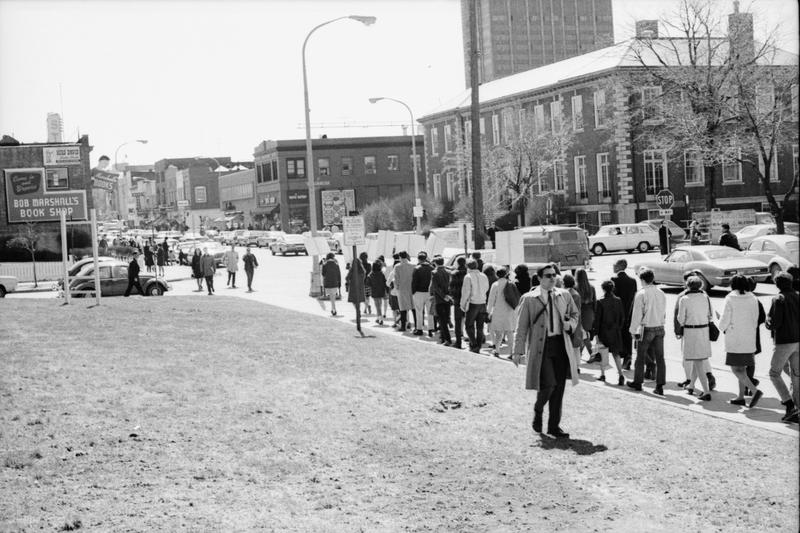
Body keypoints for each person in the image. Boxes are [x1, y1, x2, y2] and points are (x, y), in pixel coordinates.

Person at [512, 263, 580, 439]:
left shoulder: (564, 295)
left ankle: (553, 426)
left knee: (559, 388)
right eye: (548, 275)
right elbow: (521, 327)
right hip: (541, 347)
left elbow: (575, 314)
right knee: (549, 384)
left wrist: (569, 325)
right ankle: (538, 409)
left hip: (560, 345)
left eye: (554, 275)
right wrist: (517, 350)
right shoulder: (528, 298)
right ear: (540, 278)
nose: (552, 278)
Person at [718, 275, 763, 406]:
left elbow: (725, 319)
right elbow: (756, 318)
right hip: (749, 337)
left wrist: (721, 325)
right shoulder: (753, 298)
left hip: (735, 337)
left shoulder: (730, 298)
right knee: (742, 370)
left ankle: (755, 391)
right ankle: (740, 396)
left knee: (735, 369)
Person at [673, 270, 717, 391]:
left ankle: (698, 386)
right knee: (701, 358)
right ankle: (697, 382)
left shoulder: (684, 298)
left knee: (691, 360)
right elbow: (710, 314)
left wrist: (678, 329)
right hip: (704, 330)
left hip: (690, 331)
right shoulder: (705, 296)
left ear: (687, 284)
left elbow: (680, 318)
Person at [627, 267, 667, 396]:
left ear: (642, 280)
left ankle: (638, 382)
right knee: (660, 357)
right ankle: (660, 385)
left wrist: (633, 330)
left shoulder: (641, 294)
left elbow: (637, 314)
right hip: (660, 326)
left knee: (641, 355)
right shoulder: (661, 292)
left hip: (647, 327)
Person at [766, 272, 800, 422]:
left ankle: (789, 404)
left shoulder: (778, 299)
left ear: (777, 284)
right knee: (796, 375)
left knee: (774, 373)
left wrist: (768, 321)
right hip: (798, 340)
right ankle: (797, 407)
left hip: (784, 341)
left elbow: (774, 323)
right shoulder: (798, 296)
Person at [592, 280, 626, 385]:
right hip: (615, 330)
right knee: (616, 354)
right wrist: (618, 327)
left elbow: (597, 319)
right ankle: (620, 374)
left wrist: (595, 333)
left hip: (603, 330)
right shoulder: (618, 300)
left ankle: (603, 374)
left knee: (603, 353)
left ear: (603, 289)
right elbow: (622, 317)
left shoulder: (600, 301)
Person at [612, 259, 637, 370]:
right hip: (629, 312)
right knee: (628, 335)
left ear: (619, 266)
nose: (613, 266)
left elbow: (613, 297)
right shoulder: (632, 281)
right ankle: (629, 355)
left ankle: (623, 355)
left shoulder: (614, 280)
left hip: (618, 313)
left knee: (619, 335)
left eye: (615, 264)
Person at [486, 268, 517, 358]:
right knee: (510, 333)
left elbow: (491, 300)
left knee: (499, 333)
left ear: (496, 275)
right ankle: (512, 353)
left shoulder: (495, 285)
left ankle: (497, 350)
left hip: (498, 311)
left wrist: (488, 312)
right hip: (510, 310)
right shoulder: (511, 283)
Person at [461, 259, 489, 353]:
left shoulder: (468, 277)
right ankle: (478, 345)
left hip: (473, 303)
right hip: (482, 302)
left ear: (467, 267)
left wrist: (463, 304)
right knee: (480, 327)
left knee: (469, 325)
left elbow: (466, 292)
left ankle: (474, 344)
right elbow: (486, 288)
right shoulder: (484, 275)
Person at [561, 273, 585, 368]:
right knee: (576, 347)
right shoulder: (575, 293)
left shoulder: (566, 294)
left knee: (570, 345)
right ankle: (577, 366)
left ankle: (572, 366)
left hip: (569, 321)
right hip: (576, 321)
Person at [429, 256, 452, 345]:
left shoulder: (434, 272)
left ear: (435, 263)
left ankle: (447, 339)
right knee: (445, 318)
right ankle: (443, 337)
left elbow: (436, 288)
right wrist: (448, 296)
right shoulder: (449, 272)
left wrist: (443, 296)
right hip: (447, 299)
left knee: (441, 320)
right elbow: (450, 285)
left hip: (439, 299)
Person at [575, 268, 596, 362]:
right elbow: (595, 302)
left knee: (584, 335)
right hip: (589, 312)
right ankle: (581, 354)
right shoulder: (591, 287)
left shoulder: (575, 288)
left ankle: (592, 354)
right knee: (585, 334)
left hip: (580, 312)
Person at [411, 252, 434, 336]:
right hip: (428, 292)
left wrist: (413, 292)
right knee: (430, 312)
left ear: (418, 259)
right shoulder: (431, 268)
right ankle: (430, 329)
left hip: (419, 292)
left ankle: (419, 328)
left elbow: (414, 282)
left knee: (419, 311)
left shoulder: (417, 268)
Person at [393, 251, 416, 331]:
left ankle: (403, 326)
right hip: (412, 289)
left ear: (400, 257)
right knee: (414, 308)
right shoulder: (413, 265)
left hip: (402, 289)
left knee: (403, 309)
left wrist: (396, 288)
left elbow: (396, 279)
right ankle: (417, 326)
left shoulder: (397, 266)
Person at [448, 256, 468, 349]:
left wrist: (452, 296)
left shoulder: (455, 274)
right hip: (468, 299)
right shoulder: (468, 273)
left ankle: (458, 342)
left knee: (457, 320)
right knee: (469, 320)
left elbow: (451, 288)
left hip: (458, 299)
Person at [366, 260, 387, 325]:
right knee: (379, 304)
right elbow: (384, 282)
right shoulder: (381, 274)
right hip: (381, 290)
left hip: (374, 291)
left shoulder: (371, 274)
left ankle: (380, 319)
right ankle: (378, 318)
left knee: (377, 305)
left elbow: (368, 284)